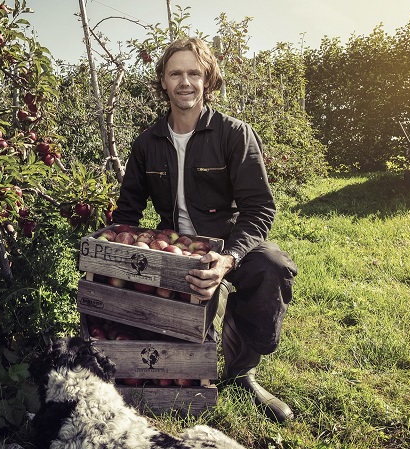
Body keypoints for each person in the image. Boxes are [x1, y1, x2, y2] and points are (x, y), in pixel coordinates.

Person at [111, 37, 298, 423]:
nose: (185, 82)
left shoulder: (234, 134)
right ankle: (187, 345)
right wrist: (117, 257)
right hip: (175, 249)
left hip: (229, 244)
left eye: (194, 73)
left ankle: (243, 369)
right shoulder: (147, 143)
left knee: (272, 266)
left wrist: (228, 258)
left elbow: (259, 208)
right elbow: (128, 209)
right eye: (175, 73)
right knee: (180, 340)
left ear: (207, 80)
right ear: (162, 81)